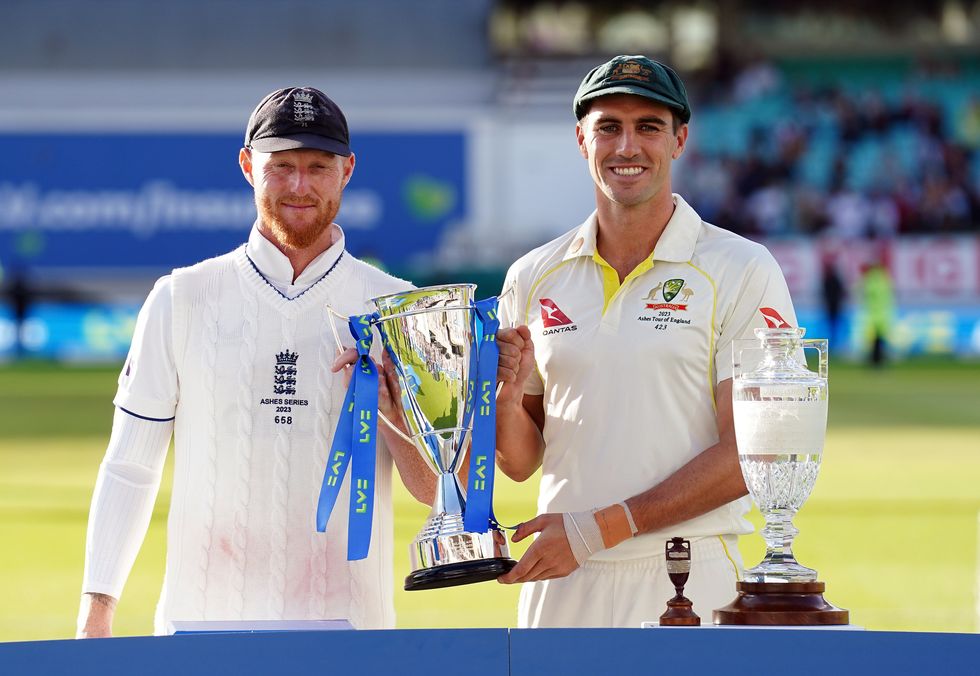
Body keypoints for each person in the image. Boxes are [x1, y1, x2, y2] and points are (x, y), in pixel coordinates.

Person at [76, 87, 434, 638]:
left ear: (347, 171)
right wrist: (96, 614)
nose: (299, 185)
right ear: (248, 165)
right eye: (282, 165)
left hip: (349, 634)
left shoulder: (397, 307)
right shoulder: (181, 297)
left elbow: (437, 491)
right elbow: (130, 466)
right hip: (197, 629)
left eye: (317, 167)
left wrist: (395, 411)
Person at [494, 56, 798, 628]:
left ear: (680, 139)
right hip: (561, 575)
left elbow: (750, 457)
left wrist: (596, 530)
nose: (627, 146)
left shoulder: (740, 267)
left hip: (687, 574)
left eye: (649, 127)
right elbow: (520, 462)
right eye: (608, 126)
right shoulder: (533, 274)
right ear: (581, 139)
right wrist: (506, 404)